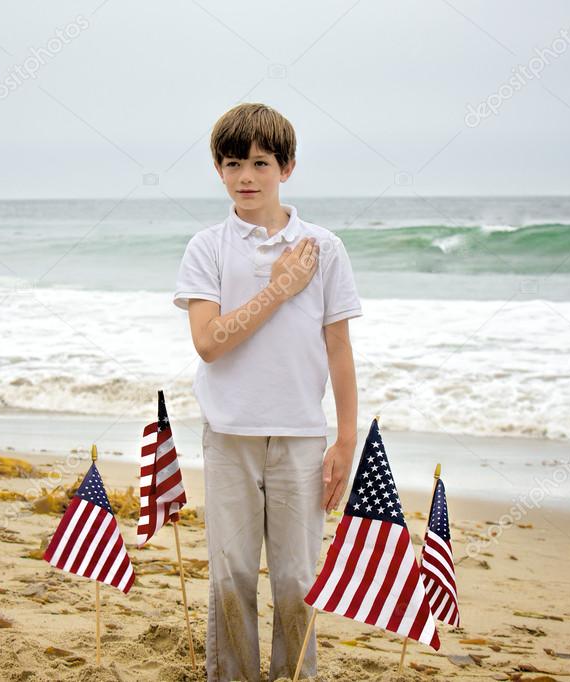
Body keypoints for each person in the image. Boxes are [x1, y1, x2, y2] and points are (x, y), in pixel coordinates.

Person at [172, 102, 362, 681]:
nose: (247, 177)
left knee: (297, 579)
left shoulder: (323, 248)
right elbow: (208, 343)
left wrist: (345, 439)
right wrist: (278, 289)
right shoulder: (207, 247)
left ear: (288, 167)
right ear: (219, 170)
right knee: (229, 574)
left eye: (260, 162)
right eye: (233, 164)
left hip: (302, 435)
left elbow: (338, 347)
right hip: (229, 434)